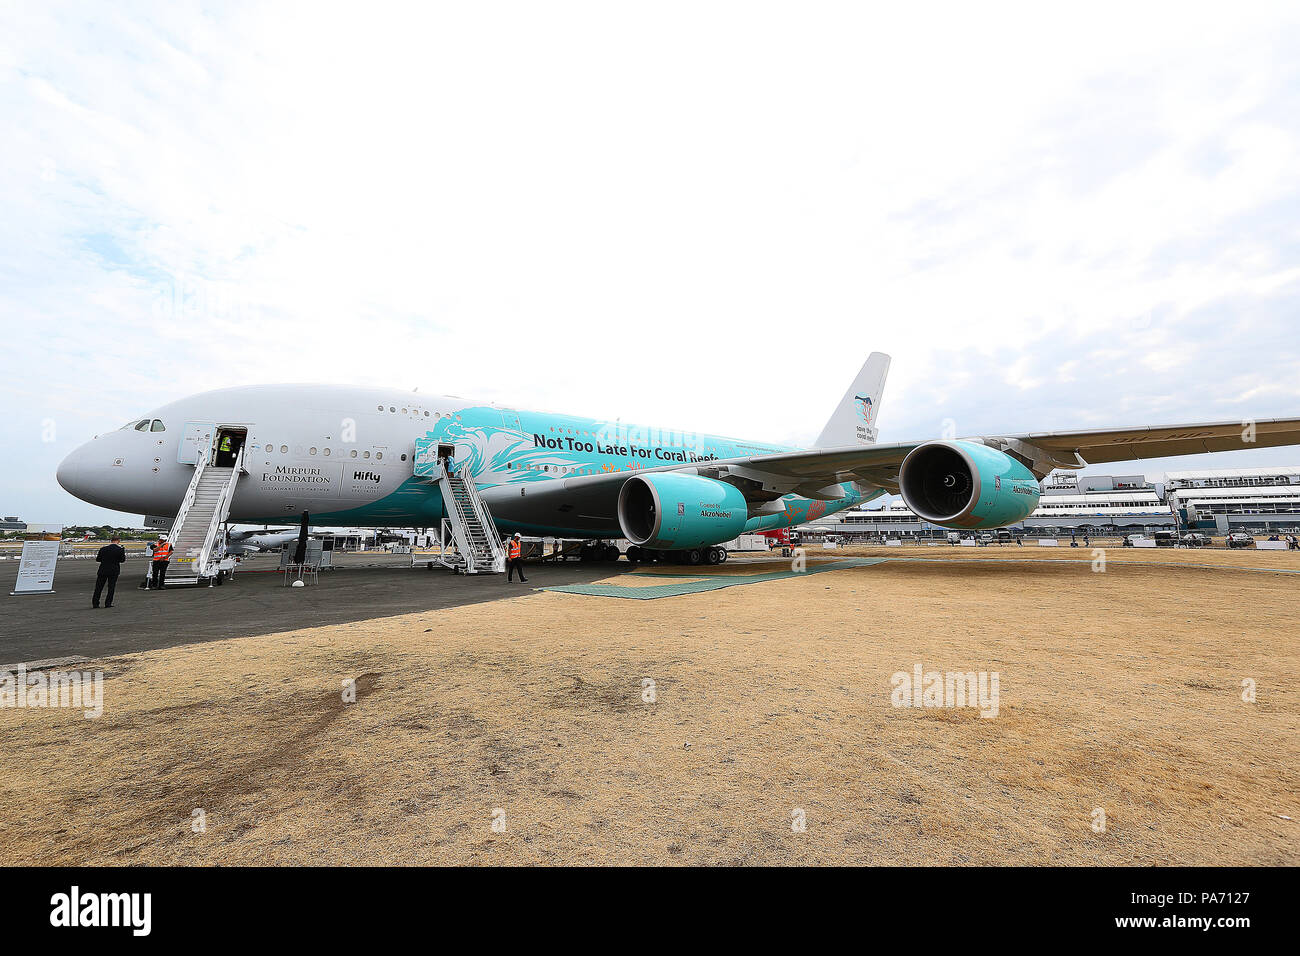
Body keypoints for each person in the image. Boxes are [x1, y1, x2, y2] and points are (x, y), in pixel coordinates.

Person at [92, 535, 127, 608]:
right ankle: (108, 603)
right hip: (114, 570)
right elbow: (122, 560)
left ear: (111, 540)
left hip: (103, 570)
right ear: (118, 540)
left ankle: (95, 603)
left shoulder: (103, 549)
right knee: (111, 587)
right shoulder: (120, 549)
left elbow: (98, 559)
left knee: (98, 587)